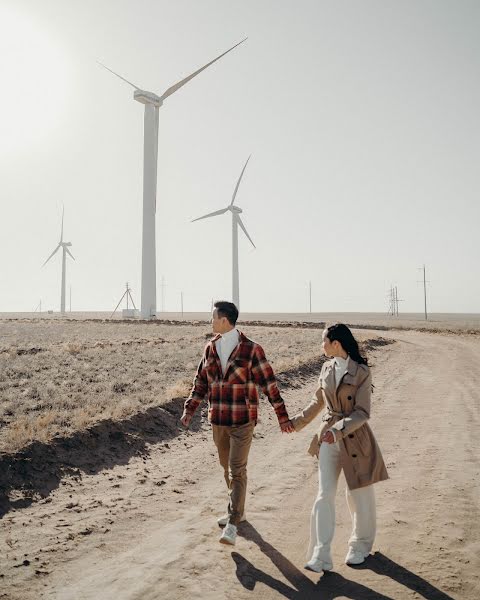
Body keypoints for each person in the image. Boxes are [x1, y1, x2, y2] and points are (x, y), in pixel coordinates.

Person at [181, 301, 294, 546]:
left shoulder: (251, 350)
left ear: (224, 320)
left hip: (243, 419)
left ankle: (233, 523)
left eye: (213, 317)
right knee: (225, 468)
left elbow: (269, 384)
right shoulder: (210, 348)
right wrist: (190, 409)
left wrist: (282, 416)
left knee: (236, 468)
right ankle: (237, 509)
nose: (210, 321)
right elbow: (200, 382)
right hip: (219, 419)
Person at [290, 323, 388, 572]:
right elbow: (317, 401)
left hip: (354, 436)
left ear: (336, 344)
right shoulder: (326, 368)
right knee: (324, 494)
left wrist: (338, 430)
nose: (321, 345)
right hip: (327, 438)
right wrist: (295, 423)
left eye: (324, 341)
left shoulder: (362, 371)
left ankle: (360, 545)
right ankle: (321, 553)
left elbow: (363, 412)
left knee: (358, 493)